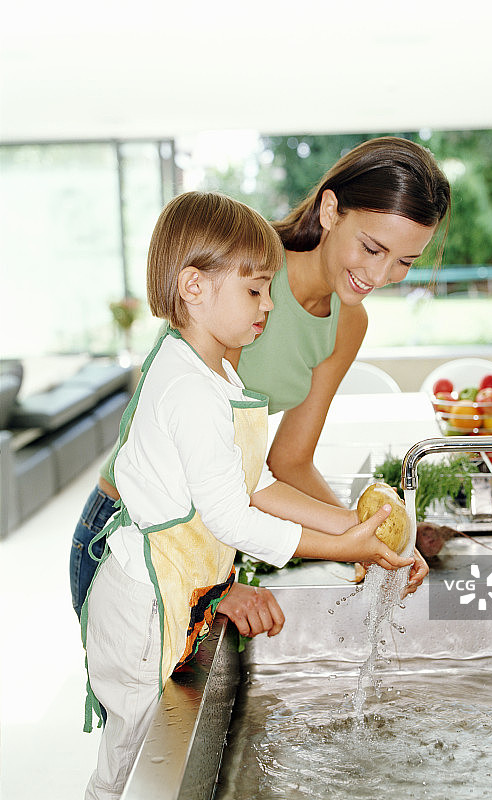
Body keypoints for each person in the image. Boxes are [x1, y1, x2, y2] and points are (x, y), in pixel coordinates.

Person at [82, 191, 414, 800]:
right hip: (141, 603)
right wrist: (340, 549)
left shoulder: (216, 374)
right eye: (256, 290)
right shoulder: (188, 389)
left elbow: (258, 482)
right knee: (129, 768)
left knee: (145, 756)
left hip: (174, 594)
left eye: (267, 290)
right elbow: (234, 516)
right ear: (193, 287)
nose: (267, 306)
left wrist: (353, 532)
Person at [70, 136, 449, 629]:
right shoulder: (242, 283)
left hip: (201, 535)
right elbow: (175, 452)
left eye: (404, 261)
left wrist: (372, 539)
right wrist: (217, 586)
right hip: (135, 533)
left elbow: (286, 461)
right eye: (372, 247)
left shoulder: (347, 322)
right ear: (331, 209)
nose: (379, 274)